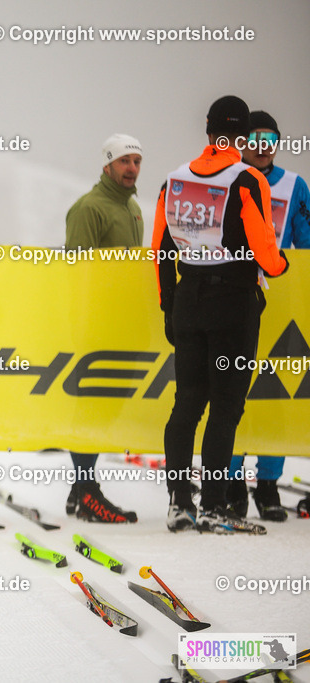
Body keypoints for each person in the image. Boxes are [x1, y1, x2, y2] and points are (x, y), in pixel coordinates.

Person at [152, 95, 289, 534]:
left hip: (188, 303)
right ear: (245, 135)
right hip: (233, 306)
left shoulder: (173, 180)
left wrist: (170, 306)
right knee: (226, 407)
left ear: (208, 131)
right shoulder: (247, 179)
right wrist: (282, 265)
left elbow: (160, 251)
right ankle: (213, 504)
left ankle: (179, 502)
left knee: (187, 403)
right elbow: (268, 257)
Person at [226, 110, 310, 522]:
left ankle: (269, 484)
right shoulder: (230, 179)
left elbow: (306, 245)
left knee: (275, 391)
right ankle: (230, 478)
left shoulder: (295, 186)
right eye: (253, 136)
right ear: (242, 141)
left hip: (279, 302)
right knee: (236, 387)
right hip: (236, 297)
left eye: (269, 137)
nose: (261, 144)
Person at [62, 133, 144, 524]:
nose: (131, 169)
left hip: (122, 325)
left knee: (105, 408)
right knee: (91, 407)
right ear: (108, 165)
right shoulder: (89, 208)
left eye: (137, 162)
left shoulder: (132, 209)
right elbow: (77, 274)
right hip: (94, 327)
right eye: (124, 161)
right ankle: (87, 488)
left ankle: (81, 489)